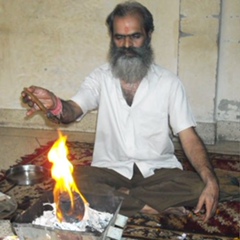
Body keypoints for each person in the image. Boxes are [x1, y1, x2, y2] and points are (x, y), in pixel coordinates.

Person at [22, 1, 219, 222]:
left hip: (157, 170)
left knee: (197, 185)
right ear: (112, 38)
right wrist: (55, 104)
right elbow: (73, 110)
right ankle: (149, 205)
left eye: (135, 36)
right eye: (119, 38)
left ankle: (121, 200)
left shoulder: (169, 83)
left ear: (149, 35)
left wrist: (210, 181)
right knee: (74, 178)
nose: (126, 45)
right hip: (110, 170)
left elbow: (188, 137)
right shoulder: (100, 77)